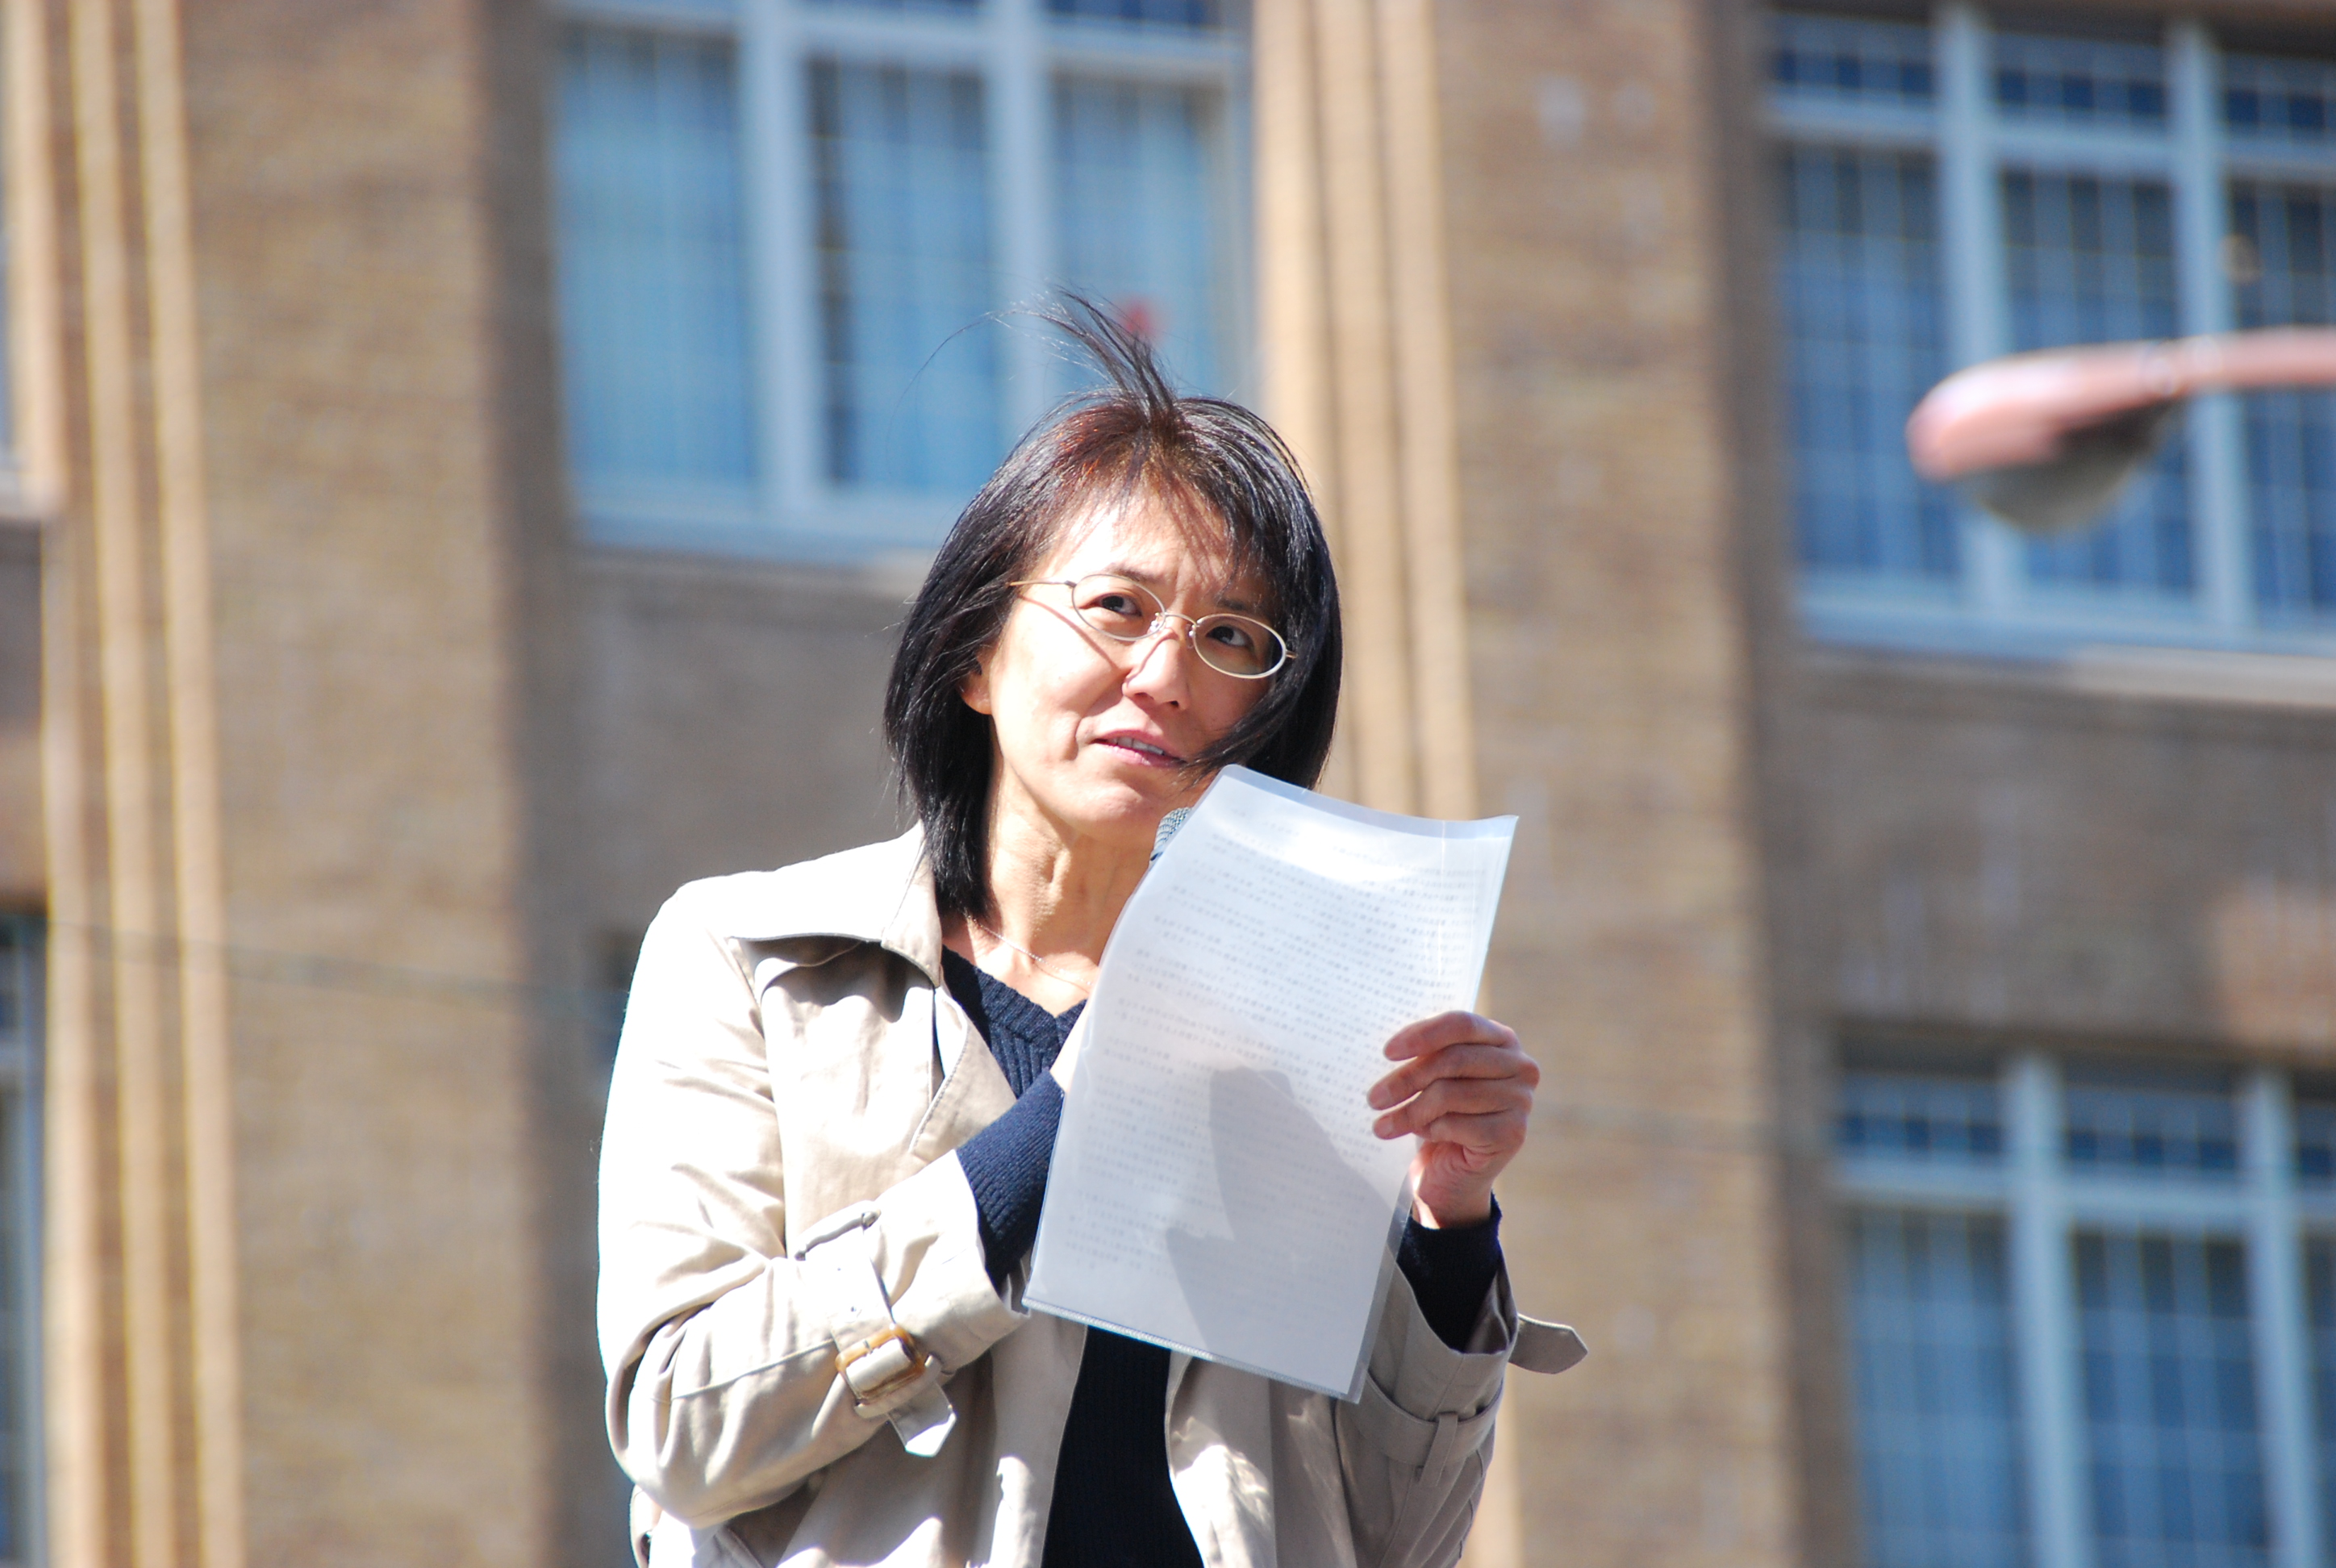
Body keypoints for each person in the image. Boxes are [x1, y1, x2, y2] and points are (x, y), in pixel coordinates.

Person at [598, 311, 1580, 1568]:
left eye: (1232, 637)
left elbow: (1398, 1540)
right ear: (975, 654)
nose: (1167, 675)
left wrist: (1449, 1230)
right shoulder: (755, 963)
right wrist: (1073, 1118)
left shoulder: (1303, 1032)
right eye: (1118, 607)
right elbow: (681, 1423)